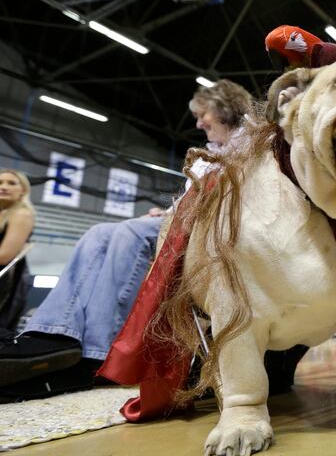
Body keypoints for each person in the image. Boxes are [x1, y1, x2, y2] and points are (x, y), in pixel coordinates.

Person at [0, 80, 254, 400]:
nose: (198, 122)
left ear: (225, 108)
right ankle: (52, 333)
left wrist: (176, 217)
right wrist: (166, 212)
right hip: (181, 222)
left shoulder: (250, 143)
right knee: (99, 232)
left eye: (204, 114)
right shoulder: (207, 155)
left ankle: (100, 348)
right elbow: (188, 200)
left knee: (130, 232)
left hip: (217, 230)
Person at [0, 169, 35, 330]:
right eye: (0, 183)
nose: (4, 187)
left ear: (22, 190)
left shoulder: (21, 214)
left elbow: (4, 256)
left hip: (6, 280)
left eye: (11, 183)